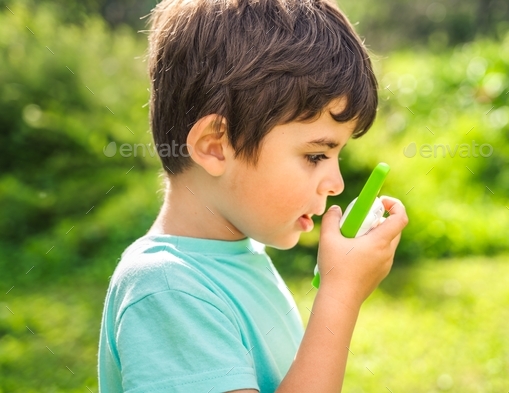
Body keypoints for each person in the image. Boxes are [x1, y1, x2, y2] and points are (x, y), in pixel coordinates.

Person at [97, 0, 409, 392]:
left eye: (336, 155)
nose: (336, 183)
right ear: (215, 146)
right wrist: (340, 294)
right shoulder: (166, 290)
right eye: (316, 155)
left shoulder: (240, 257)